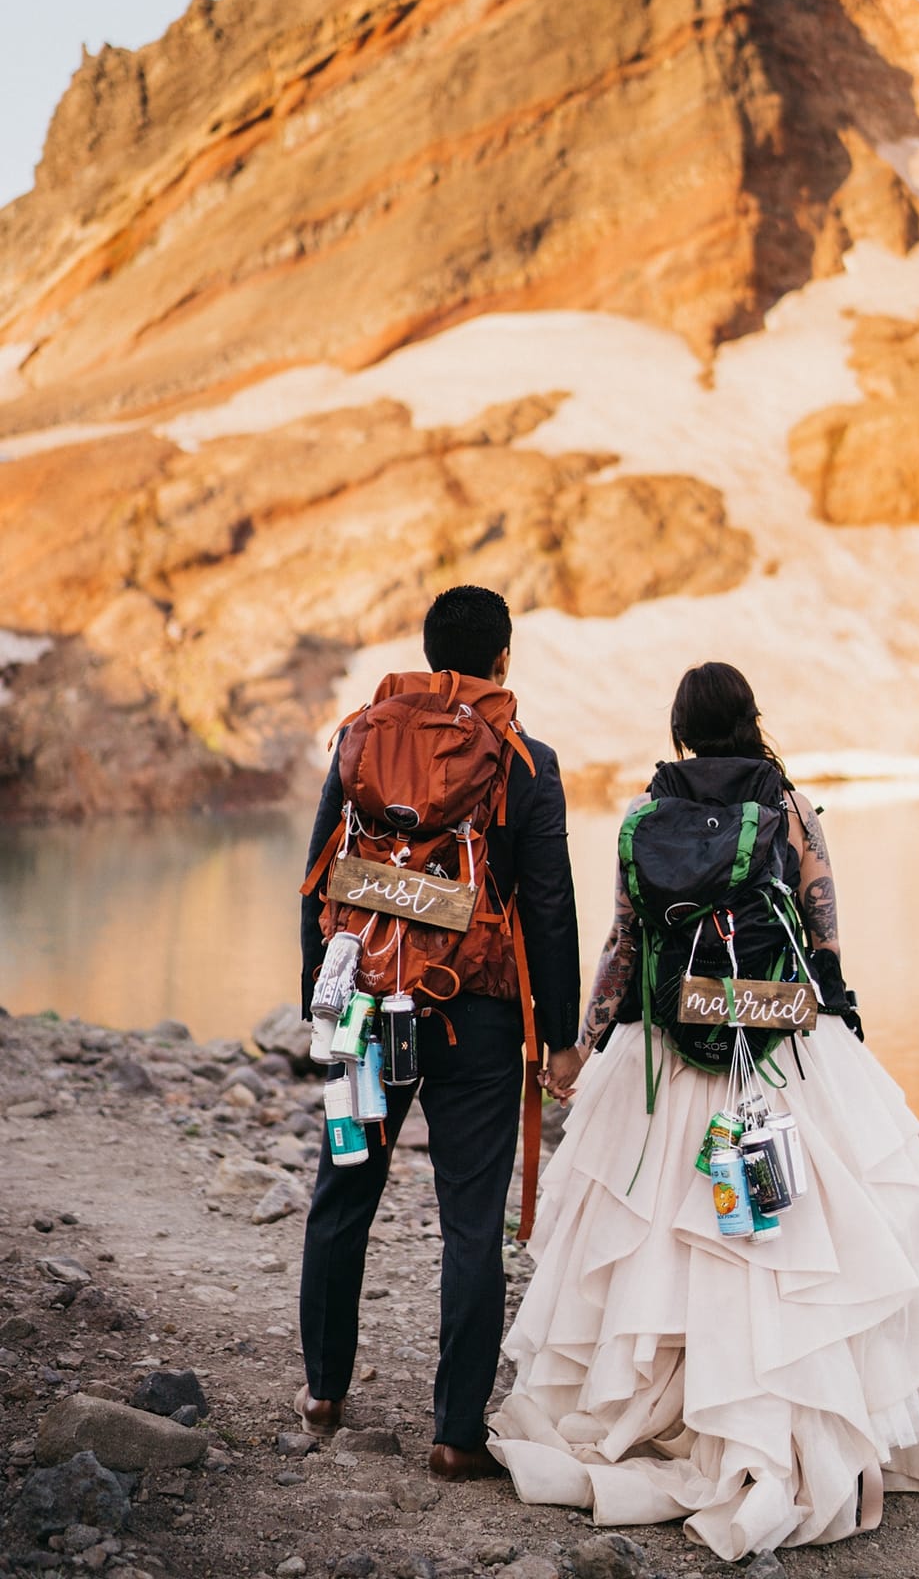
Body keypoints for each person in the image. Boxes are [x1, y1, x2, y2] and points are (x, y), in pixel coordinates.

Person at [490, 661, 919, 1556]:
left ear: (680, 731)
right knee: (798, 1236)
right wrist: (840, 1009)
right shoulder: (787, 808)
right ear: (750, 721)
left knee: (663, 1229)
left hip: (670, 1050)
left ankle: (679, 1405)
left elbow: (624, 945)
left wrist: (583, 1045)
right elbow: (823, 926)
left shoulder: (641, 820)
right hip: (775, 1040)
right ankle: (808, 1409)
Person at [294, 585, 583, 1479]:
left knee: (347, 1188)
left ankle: (324, 1392)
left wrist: (321, 992)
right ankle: (457, 1434)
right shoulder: (522, 760)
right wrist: (560, 1034)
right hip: (479, 1013)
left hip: (369, 1003)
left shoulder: (361, 738)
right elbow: (550, 905)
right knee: (469, 1222)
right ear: (503, 660)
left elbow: (320, 874)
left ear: (427, 652)